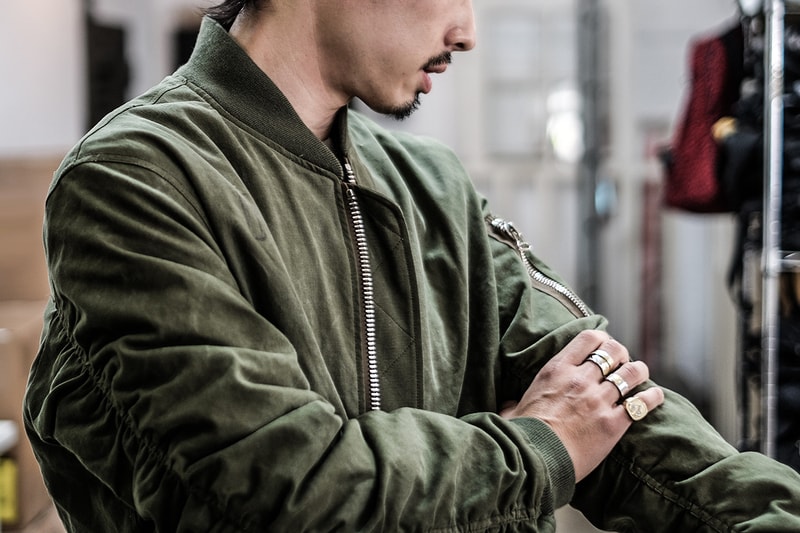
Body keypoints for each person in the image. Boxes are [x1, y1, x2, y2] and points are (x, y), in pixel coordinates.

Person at [23, 0, 800, 531]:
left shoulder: (429, 184)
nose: (467, 32)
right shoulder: (137, 177)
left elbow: (611, 405)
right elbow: (278, 489)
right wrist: (537, 445)